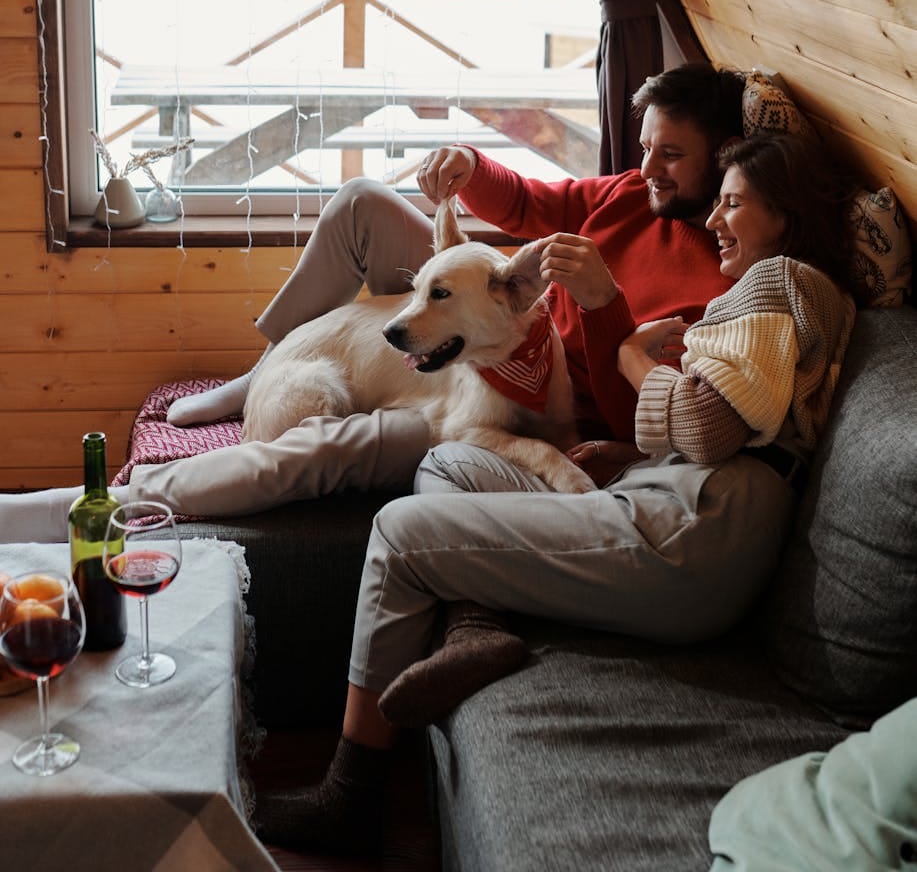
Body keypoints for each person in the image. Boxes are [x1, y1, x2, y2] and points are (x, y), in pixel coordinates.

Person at [253, 131, 857, 856]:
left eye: (732, 205)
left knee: (401, 530)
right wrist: (630, 452)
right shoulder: (767, 289)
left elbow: (703, 423)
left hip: (700, 528)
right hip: (679, 491)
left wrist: (633, 355)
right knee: (451, 463)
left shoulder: (778, 282)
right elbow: (747, 415)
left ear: (785, 214)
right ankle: (478, 628)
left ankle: (348, 797)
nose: (712, 221)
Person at [1, 61, 744, 537]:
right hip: (492, 329)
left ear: (723, 161)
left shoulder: (723, 285)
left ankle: (99, 502)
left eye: (670, 154)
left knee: (327, 447)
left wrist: (601, 303)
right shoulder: (625, 195)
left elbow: (635, 420)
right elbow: (528, 199)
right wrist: (466, 166)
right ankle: (261, 372)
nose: (647, 167)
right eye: (643, 146)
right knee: (360, 200)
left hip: (528, 380)